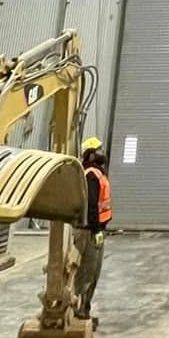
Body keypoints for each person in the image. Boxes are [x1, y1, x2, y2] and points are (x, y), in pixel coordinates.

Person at [75, 137, 112, 321]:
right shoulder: (91, 174)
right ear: (90, 155)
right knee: (87, 271)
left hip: (95, 230)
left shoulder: (97, 173)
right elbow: (91, 205)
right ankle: (78, 309)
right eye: (98, 150)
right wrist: (96, 229)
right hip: (89, 231)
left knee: (94, 271)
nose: (102, 153)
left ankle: (84, 309)